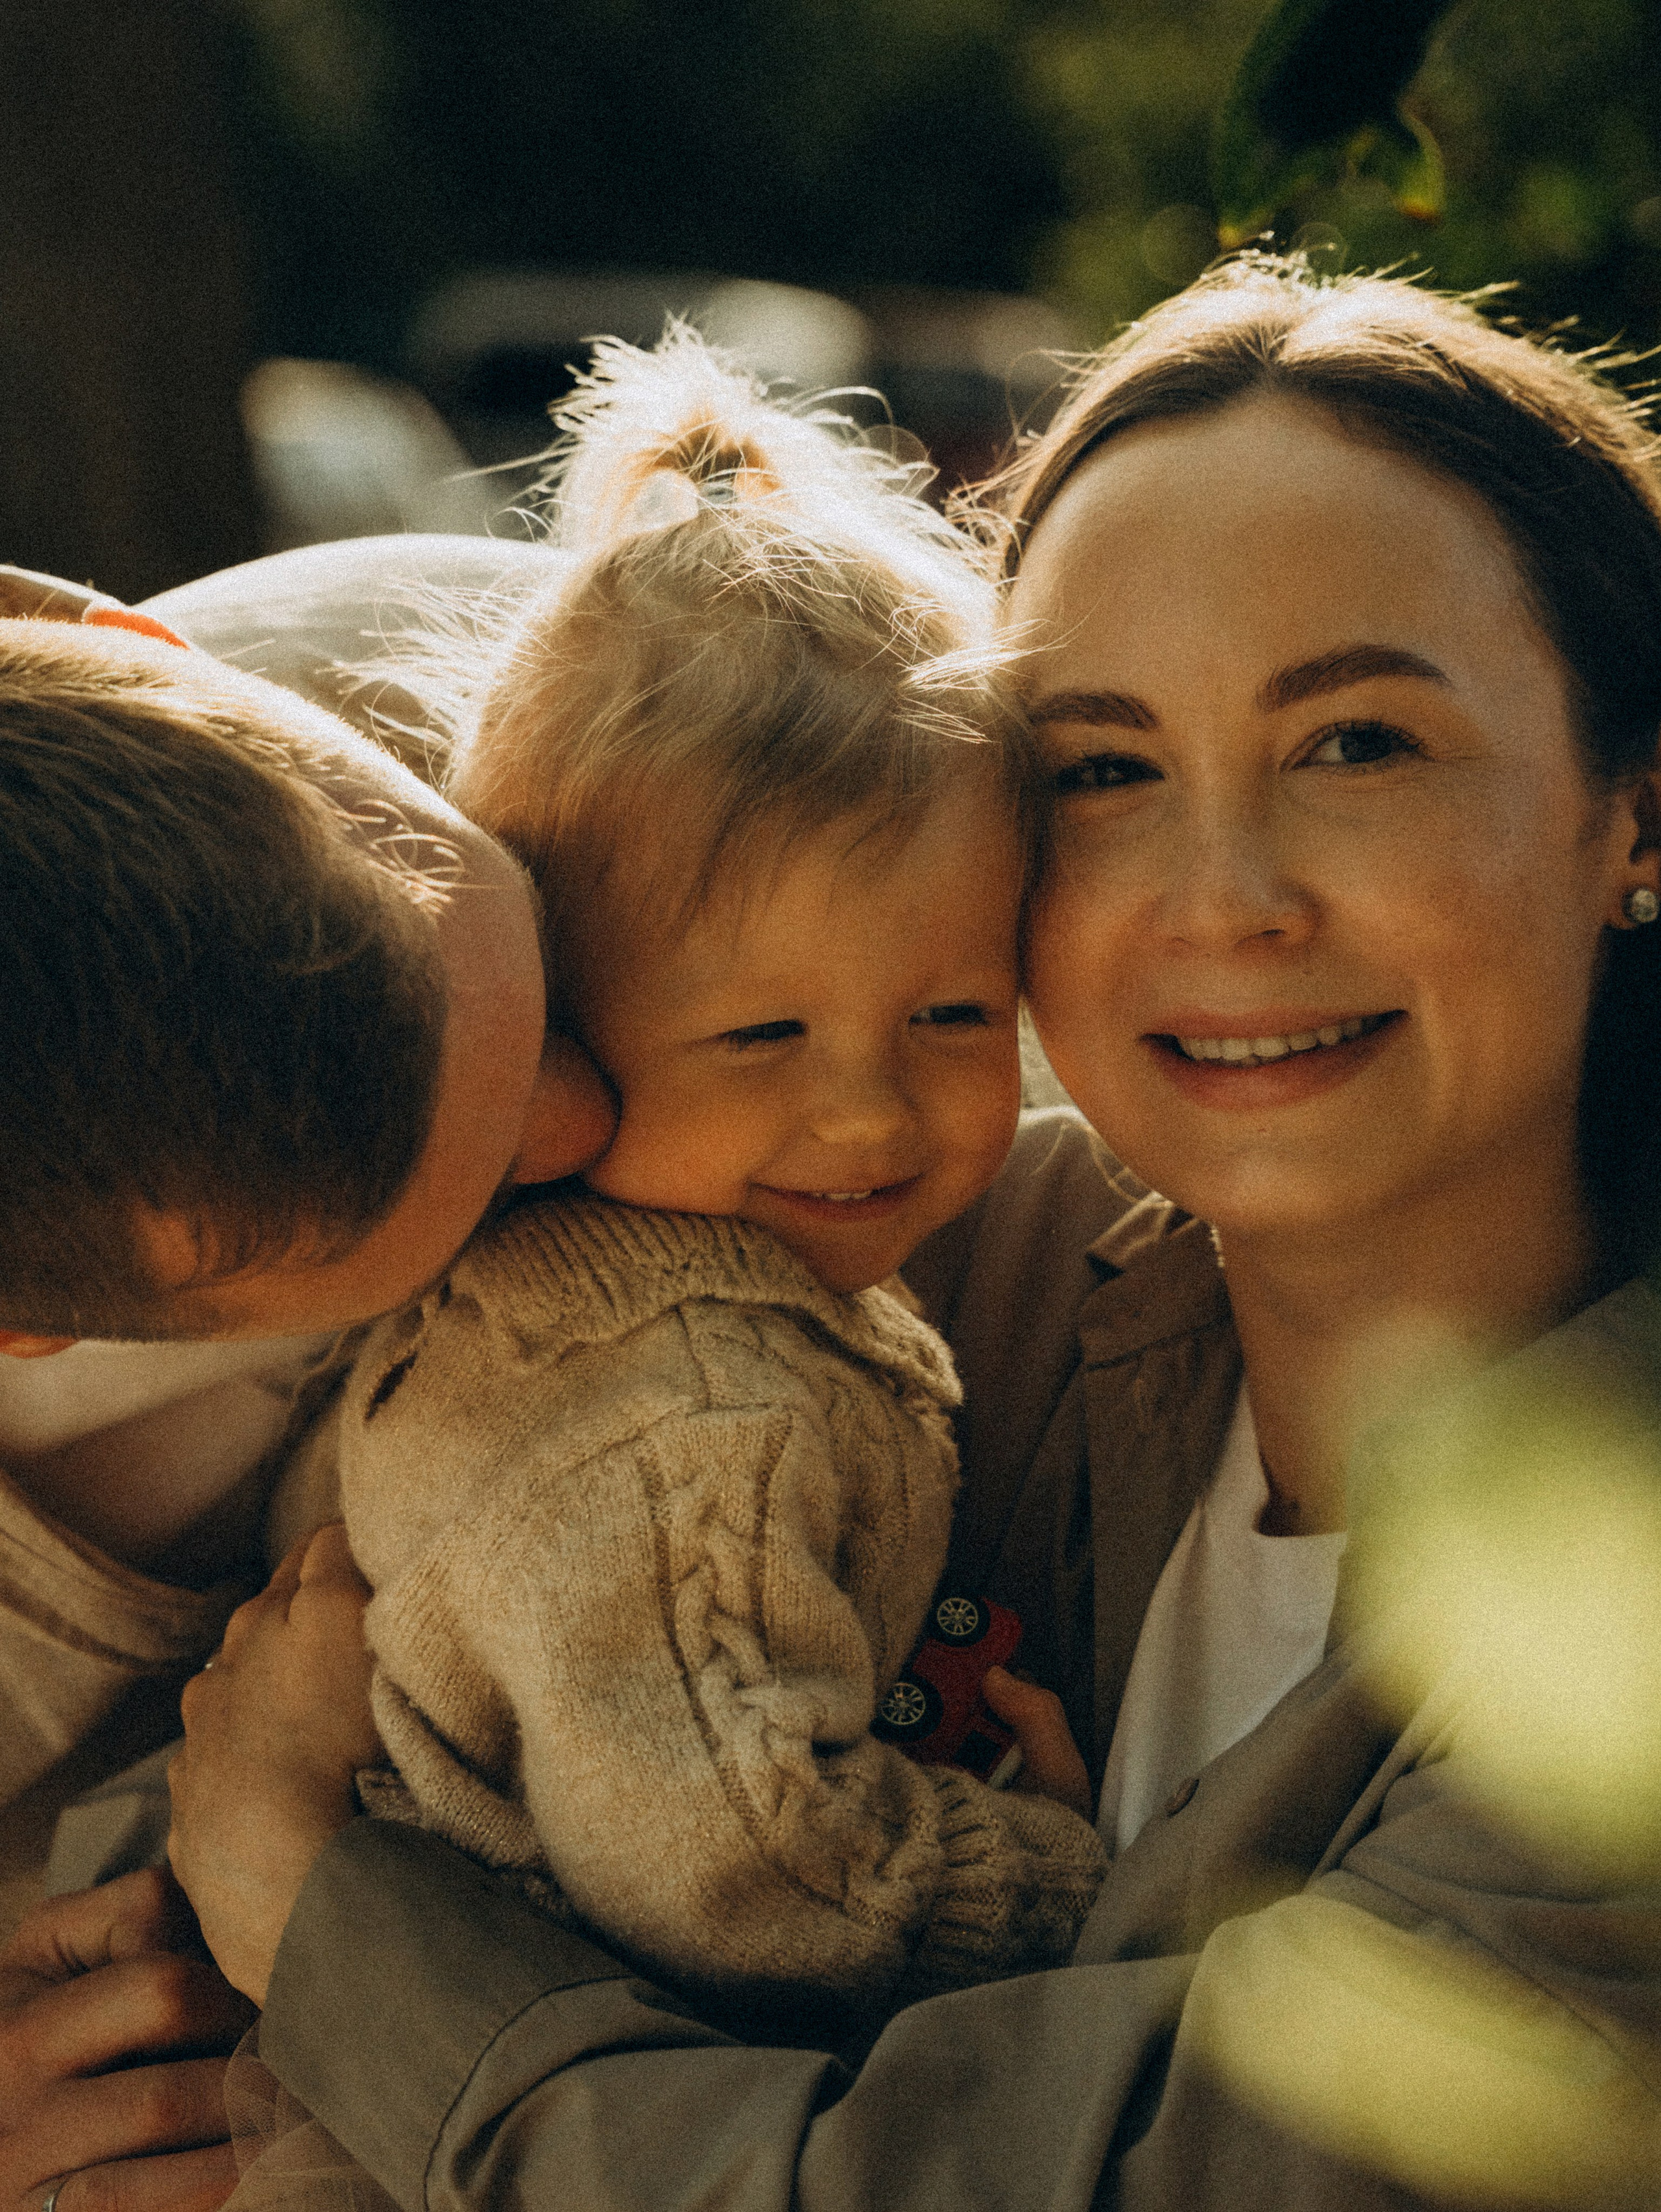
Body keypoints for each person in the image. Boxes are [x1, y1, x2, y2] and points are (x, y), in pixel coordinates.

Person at [162, 254, 1661, 2211]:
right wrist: (118, 2001)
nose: (1224, 900)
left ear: (1635, 812)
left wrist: (321, 1938)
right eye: (1106, 771)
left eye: (1356, 742)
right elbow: (388, 1599)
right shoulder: (951, 1248)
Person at [221, 331, 1104, 2205]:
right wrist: (1048, 1870)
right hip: (440, 2126)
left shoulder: (544, 1283)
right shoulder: (687, 1410)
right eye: (760, 1040)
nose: (871, 1117)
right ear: (565, 1013)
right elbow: (746, 1874)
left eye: (953, 1012)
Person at [0, 542, 618, 2212]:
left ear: (125, 640)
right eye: (486, 1184)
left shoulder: (502, 675)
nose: (595, 1122)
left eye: (551, 970)